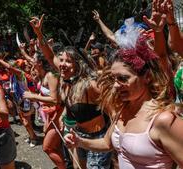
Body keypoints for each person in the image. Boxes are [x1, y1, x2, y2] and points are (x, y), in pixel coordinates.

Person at [64, 34, 183, 168]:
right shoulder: (122, 110)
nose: (115, 85)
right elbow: (107, 143)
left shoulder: (163, 119)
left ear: (147, 77)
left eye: (123, 78)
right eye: (114, 79)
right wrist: (79, 142)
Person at [30, 15, 112, 169]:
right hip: (78, 136)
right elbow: (48, 55)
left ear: (78, 65)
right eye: (61, 60)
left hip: (98, 138)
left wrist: (114, 139)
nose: (62, 64)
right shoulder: (68, 80)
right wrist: (39, 33)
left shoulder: (90, 85)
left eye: (68, 61)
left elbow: (114, 111)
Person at [23, 51, 65, 168]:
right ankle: (64, 164)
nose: (31, 59)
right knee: (55, 146)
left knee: (47, 147)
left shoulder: (51, 75)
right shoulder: (41, 75)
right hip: (49, 115)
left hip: (59, 114)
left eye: (34, 58)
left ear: (40, 62)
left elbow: (55, 99)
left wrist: (33, 96)